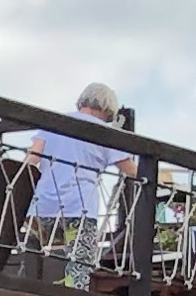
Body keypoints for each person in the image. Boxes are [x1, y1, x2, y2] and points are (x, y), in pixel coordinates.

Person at [25, 80, 129, 281]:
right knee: (79, 266)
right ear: (107, 109)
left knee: (33, 260)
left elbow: (31, 159)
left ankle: (28, 291)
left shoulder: (53, 124)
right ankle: (73, 291)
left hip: (42, 205)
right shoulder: (105, 133)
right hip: (79, 208)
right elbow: (131, 170)